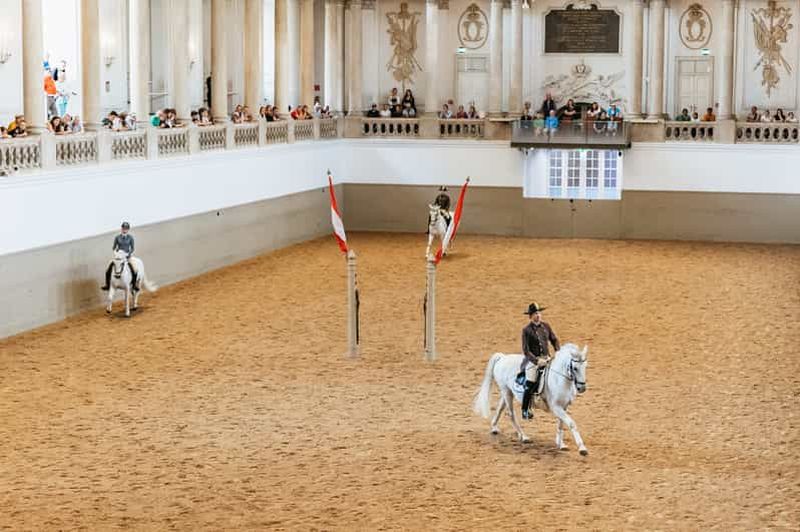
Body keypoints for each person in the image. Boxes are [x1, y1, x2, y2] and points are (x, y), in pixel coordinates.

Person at [516, 302, 560, 420]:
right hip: (533, 361)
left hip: (547, 358)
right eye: (535, 313)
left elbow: (554, 340)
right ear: (530, 316)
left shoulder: (546, 326)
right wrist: (536, 361)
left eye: (539, 313)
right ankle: (525, 409)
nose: (538, 315)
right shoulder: (526, 330)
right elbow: (526, 350)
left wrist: (558, 351)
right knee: (530, 382)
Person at [101, 222, 138, 292]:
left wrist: (128, 254)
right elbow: (114, 247)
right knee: (107, 269)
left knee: (135, 269)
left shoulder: (130, 238)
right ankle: (107, 285)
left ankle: (134, 285)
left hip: (127, 257)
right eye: (123, 228)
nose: (124, 230)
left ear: (128, 230)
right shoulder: (117, 237)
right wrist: (115, 253)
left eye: (126, 229)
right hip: (118, 257)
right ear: (121, 229)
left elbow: (132, 248)